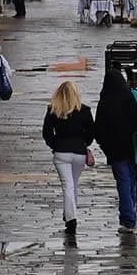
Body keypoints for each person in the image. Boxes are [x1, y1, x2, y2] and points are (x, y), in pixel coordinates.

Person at [42, 81, 95, 235]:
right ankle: (70, 215)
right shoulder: (84, 110)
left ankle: (70, 218)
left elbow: (47, 132)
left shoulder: (53, 110)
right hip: (78, 152)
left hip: (61, 152)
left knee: (68, 185)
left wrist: (54, 145)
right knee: (73, 184)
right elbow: (91, 131)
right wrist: (84, 142)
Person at [95, 69, 137, 233]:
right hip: (133, 147)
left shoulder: (105, 102)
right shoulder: (129, 97)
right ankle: (130, 213)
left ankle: (128, 218)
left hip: (115, 150)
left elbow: (98, 128)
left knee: (123, 182)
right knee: (132, 180)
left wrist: (105, 146)